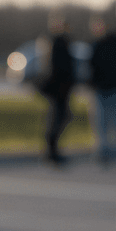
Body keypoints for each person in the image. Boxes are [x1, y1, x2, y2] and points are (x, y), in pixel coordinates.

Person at [39, 12, 75, 165]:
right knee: (57, 119)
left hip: (61, 89)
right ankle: (51, 151)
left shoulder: (61, 42)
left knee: (60, 118)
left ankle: (52, 151)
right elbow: (56, 68)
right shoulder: (56, 42)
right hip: (58, 89)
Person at [89, 14, 116, 164]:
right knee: (102, 123)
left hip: (113, 88)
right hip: (102, 89)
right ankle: (104, 150)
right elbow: (91, 68)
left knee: (113, 122)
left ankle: (111, 150)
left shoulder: (115, 44)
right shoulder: (97, 45)